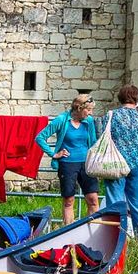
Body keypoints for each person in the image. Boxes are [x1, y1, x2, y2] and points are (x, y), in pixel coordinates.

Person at [35, 94, 101, 225]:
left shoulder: (88, 122)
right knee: (69, 200)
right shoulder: (61, 120)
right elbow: (40, 137)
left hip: (86, 163)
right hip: (67, 164)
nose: (90, 113)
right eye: (88, 110)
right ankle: (68, 231)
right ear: (78, 108)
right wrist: (53, 154)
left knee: (93, 198)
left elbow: (93, 142)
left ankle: (92, 231)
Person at [101, 84, 138, 236]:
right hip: (137, 164)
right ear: (137, 100)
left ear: (120, 98)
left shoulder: (111, 116)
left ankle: (115, 238)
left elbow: (102, 138)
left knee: (115, 203)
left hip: (114, 164)